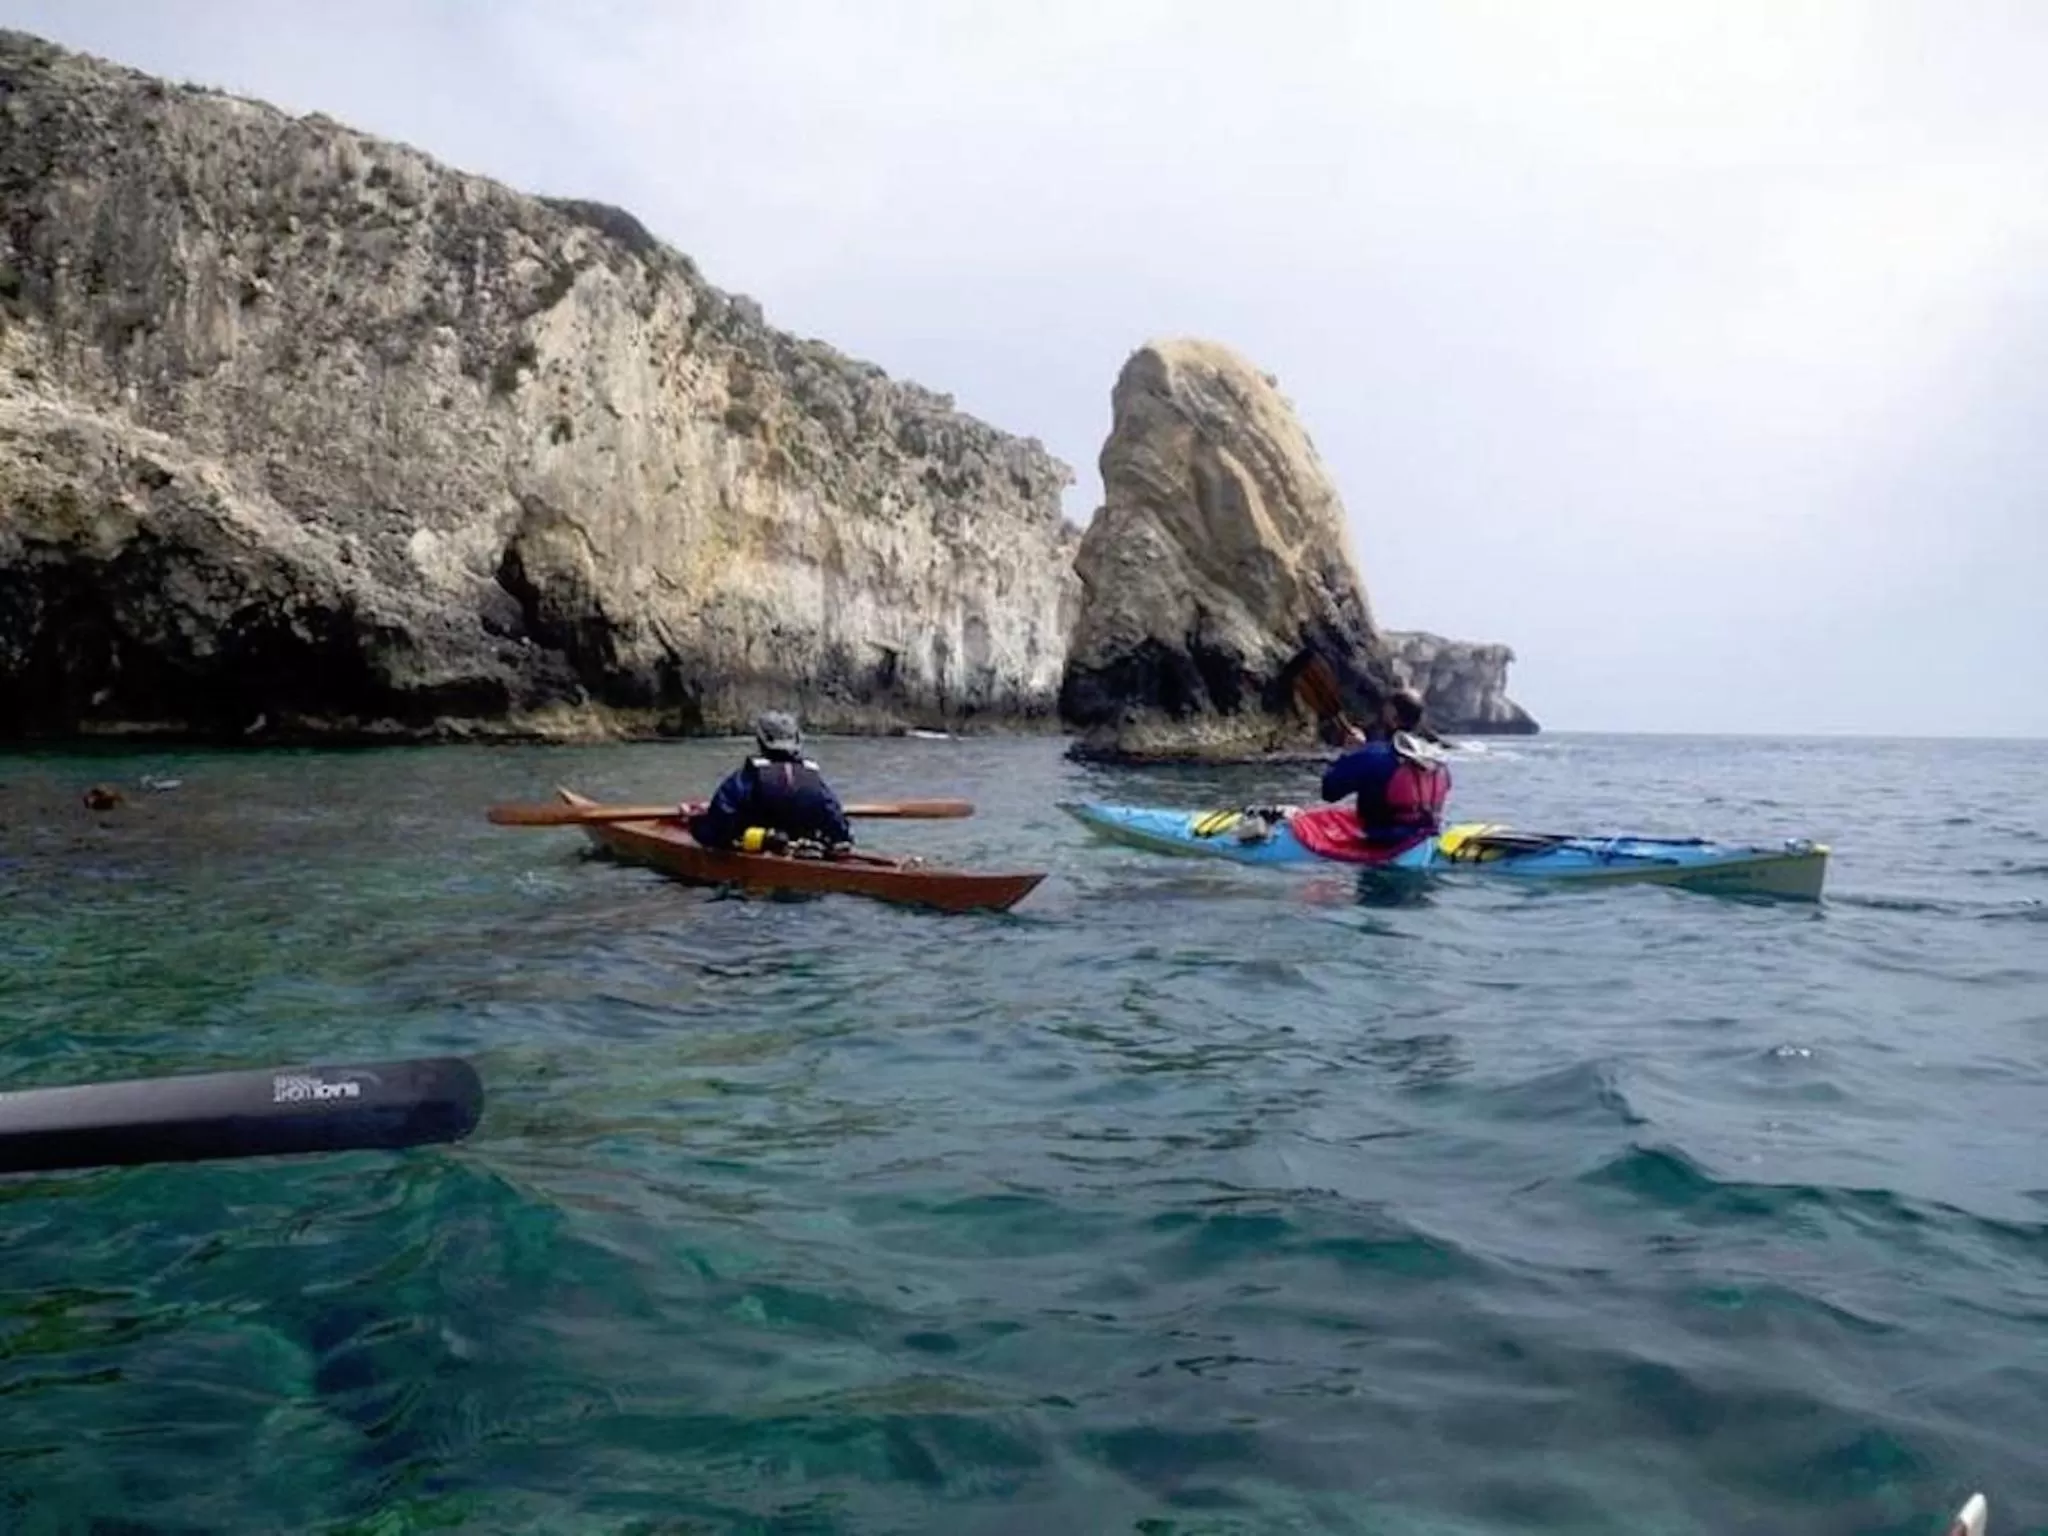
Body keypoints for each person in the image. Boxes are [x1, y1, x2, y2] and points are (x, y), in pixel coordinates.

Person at [686, 711, 854, 854]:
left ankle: (768, 841)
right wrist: (840, 839)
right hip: (804, 846)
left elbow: (719, 824)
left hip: (759, 849)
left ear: (761, 741)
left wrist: (695, 822)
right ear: (797, 740)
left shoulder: (746, 778)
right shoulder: (814, 778)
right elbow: (836, 819)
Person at [1317, 686, 1452, 848]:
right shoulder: (1437, 760)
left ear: (1392, 717)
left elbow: (1329, 791)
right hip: (1426, 835)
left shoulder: (1373, 755)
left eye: (1383, 713)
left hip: (1383, 842)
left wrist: (1350, 753)